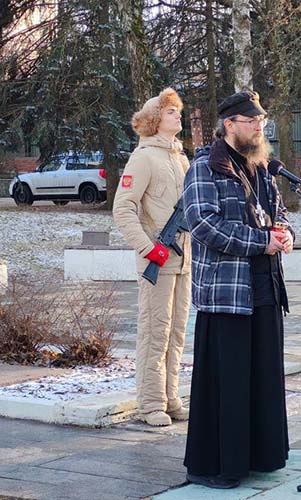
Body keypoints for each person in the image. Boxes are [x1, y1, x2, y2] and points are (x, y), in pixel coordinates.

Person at [182, 90, 292, 489]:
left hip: (265, 288)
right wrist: (260, 242)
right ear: (229, 124)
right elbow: (204, 226)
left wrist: (285, 234)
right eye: (252, 121)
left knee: (262, 377)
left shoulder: (262, 168)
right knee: (228, 383)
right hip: (227, 293)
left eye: (262, 121)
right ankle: (218, 466)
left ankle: (259, 457)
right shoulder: (204, 168)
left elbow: (278, 213)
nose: (259, 127)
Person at [113, 88, 192, 426]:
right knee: (154, 332)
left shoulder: (180, 157)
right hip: (157, 262)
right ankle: (150, 404)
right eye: (171, 111)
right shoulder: (143, 157)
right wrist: (148, 248)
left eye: (178, 111)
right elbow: (123, 209)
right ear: (155, 119)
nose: (178, 115)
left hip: (183, 259)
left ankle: (170, 397)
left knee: (177, 332)